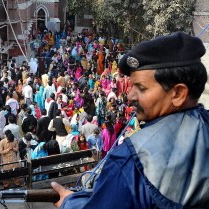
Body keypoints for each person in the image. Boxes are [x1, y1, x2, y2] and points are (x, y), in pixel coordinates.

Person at [51, 32, 209, 208]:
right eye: (131, 85)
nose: (129, 95)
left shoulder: (131, 160)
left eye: (141, 88)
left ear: (178, 94)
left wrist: (69, 202)